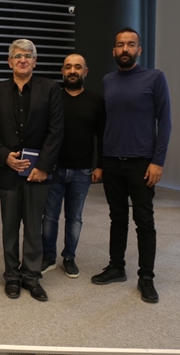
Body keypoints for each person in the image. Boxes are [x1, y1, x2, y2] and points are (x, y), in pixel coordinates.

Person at [91, 27, 171, 304]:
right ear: (113, 50)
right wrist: (101, 162)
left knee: (144, 221)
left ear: (139, 49)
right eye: (120, 44)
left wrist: (158, 161)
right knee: (117, 217)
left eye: (130, 44)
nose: (125, 49)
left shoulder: (155, 78)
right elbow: (106, 125)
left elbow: (165, 122)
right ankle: (116, 267)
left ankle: (146, 276)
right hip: (112, 161)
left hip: (141, 163)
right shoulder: (108, 80)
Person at [0, 39, 63, 302]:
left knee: (33, 227)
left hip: (37, 173)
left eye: (28, 56)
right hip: (8, 172)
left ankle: (31, 276)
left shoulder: (50, 88)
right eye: (18, 56)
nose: (23, 60)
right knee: (9, 228)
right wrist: (3, 156)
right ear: (9, 62)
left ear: (35, 62)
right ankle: (11, 276)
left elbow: (56, 130)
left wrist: (43, 167)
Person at [41, 54, 105, 278]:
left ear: (85, 72)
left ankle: (69, 257)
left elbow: (102, 136)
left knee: (74, 217)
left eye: (77, 67)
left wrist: (99, 166)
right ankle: (48, 256)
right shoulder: (53, 98)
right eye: (68, 67)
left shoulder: (96, 100)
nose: (72, 71)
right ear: (62, 71)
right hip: (54, 169)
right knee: (49, 216)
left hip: (82, 170)